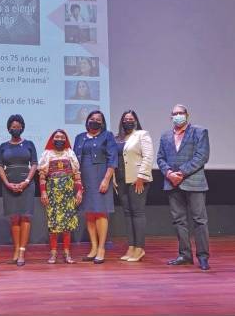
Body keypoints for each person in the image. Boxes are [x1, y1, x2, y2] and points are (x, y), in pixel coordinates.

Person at [156, 104, 211, 271]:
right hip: (172, 183)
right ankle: (185, 255)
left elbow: (202, 156)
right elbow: (160, 158)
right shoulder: (165, 136)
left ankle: (202, 257)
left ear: (187, 115)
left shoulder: (199, 132)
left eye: (181, 113)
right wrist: (169, 174)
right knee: (179, 220)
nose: (178, 115)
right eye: (175, 113)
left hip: (193, 182)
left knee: (199, 221)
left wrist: (180, 173)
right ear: (170, 117)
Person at [73, 110, 118, 264]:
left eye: (98, 119)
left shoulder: (108, 136)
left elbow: (113, 159)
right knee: (89, 213)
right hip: (83, 176)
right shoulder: (79, 137)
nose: (95, 121)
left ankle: (101, 248)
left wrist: (106, 179)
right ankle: (93, 247)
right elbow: (74, 159)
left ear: (102, 122)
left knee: (101, 212)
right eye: (92, 119)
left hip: (100, 175)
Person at [0, 114, 38, 266]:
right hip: (9, 184)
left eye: (18, 127)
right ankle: (15, 250)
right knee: (14, 218)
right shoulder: (3, 146)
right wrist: (7, 183)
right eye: (13, 127)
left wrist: (26, 181)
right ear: (8, 129)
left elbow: (34, 163)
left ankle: (22, 251)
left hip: (26, 184)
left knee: (25, 217)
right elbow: (0, 165)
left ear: (22, 128)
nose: (16, 129)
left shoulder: (29, 144)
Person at [114, 110, 154, 262]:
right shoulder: (118, 138)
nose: (128, 121)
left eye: (131, 119)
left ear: (136, 121)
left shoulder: (142, 135)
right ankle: (131, 247)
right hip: (121, 180)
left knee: (137, 213)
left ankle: (139, 248)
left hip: (137, 179)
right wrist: (113, 179)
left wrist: (141, 177)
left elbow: (148, 156)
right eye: (125, 119)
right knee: (127, 214)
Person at [38, 129, 82, 264]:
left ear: (66, 139)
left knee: (67, 225)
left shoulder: (70, 153)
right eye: (57, 137)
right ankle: (53, 254)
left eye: (62, 137)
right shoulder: (47, 154)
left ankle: (67, 253)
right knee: (53, 224)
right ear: (52, 139)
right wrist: (43, 192)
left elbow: (77, 175)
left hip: (68, 194)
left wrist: (79, 191)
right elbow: (42, 176)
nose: (60, 139)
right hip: (52, 193)